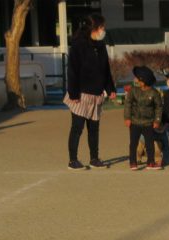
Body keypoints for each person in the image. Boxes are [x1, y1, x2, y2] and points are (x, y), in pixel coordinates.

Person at [64, 13, 116, 169]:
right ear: (93, 28)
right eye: (101, 27)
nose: (103, 30)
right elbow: (72, 70)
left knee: (94, 129)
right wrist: (73, 93)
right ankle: (73, 160)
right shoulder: (78, 45)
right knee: (77, 128)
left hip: (97, 94)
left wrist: (110, 88)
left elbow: (105, 69)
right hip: (80, 94)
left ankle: (94, 158)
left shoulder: (100, 45)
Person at [124, 65, 163, 170]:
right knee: (133, 144)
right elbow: (128, 104)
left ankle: (150, 162)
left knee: (150, 144)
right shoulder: (133, 91)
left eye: (138, 78)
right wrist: (127, 118)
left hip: (148, 123)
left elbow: (159, 107)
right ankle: (133, 163)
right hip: (134, 122)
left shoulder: (154, 93)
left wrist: (157, 120)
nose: (135, 80)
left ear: (144, 81)